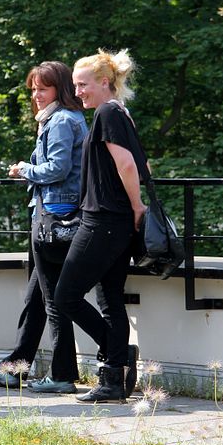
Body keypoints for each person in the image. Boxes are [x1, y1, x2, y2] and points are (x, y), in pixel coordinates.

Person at [54, 49, 146, 402]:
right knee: (109, 299)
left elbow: (127, 165)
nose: (77, 92)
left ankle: (115, 353)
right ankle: (112, 381)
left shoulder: (108, 112)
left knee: (65, 296)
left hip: (104, 220)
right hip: (117, 221)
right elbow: (143, 163)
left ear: (104, 83)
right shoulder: (121, 113)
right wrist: (133, 211)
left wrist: (137, 207)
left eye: (82, 85)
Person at [0, 61, 88, 394]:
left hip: (53, 219)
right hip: (55, 216)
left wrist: (24, 170)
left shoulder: (60, 121)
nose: (36, 95)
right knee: (36, 297)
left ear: (58, 89)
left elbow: (58, 169)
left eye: (42, 88)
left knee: (53, 299)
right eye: (33, 89)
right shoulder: (66, 118)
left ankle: (63, 374)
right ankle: (16, 368)